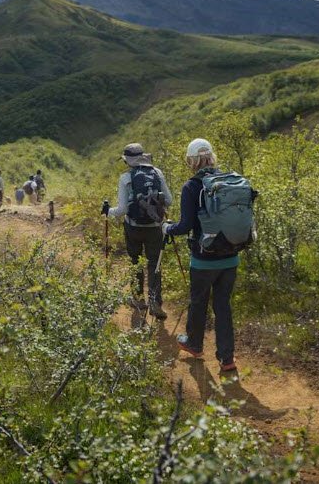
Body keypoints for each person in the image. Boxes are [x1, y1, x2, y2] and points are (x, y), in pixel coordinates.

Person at [162, 138, 238, 373]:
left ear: (191, 161)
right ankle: (227, 359)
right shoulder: (228, 181)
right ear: (212, 157)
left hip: (204, 259)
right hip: (231, 257)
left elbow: (185, 226)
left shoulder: (192, 187)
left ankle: (194, 344)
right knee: (223, 306)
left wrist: (167, 228)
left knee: (198, 302)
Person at [102, 143, 172, 319]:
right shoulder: (157, 173)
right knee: (155, 263)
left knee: (135, 261)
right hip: (155, 228)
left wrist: (107, 211)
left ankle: (139, 299)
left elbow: (122, 211)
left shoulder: (125, 177)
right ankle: (155, 301)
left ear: (127, 161)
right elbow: (169, 201)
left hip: (133, 227)